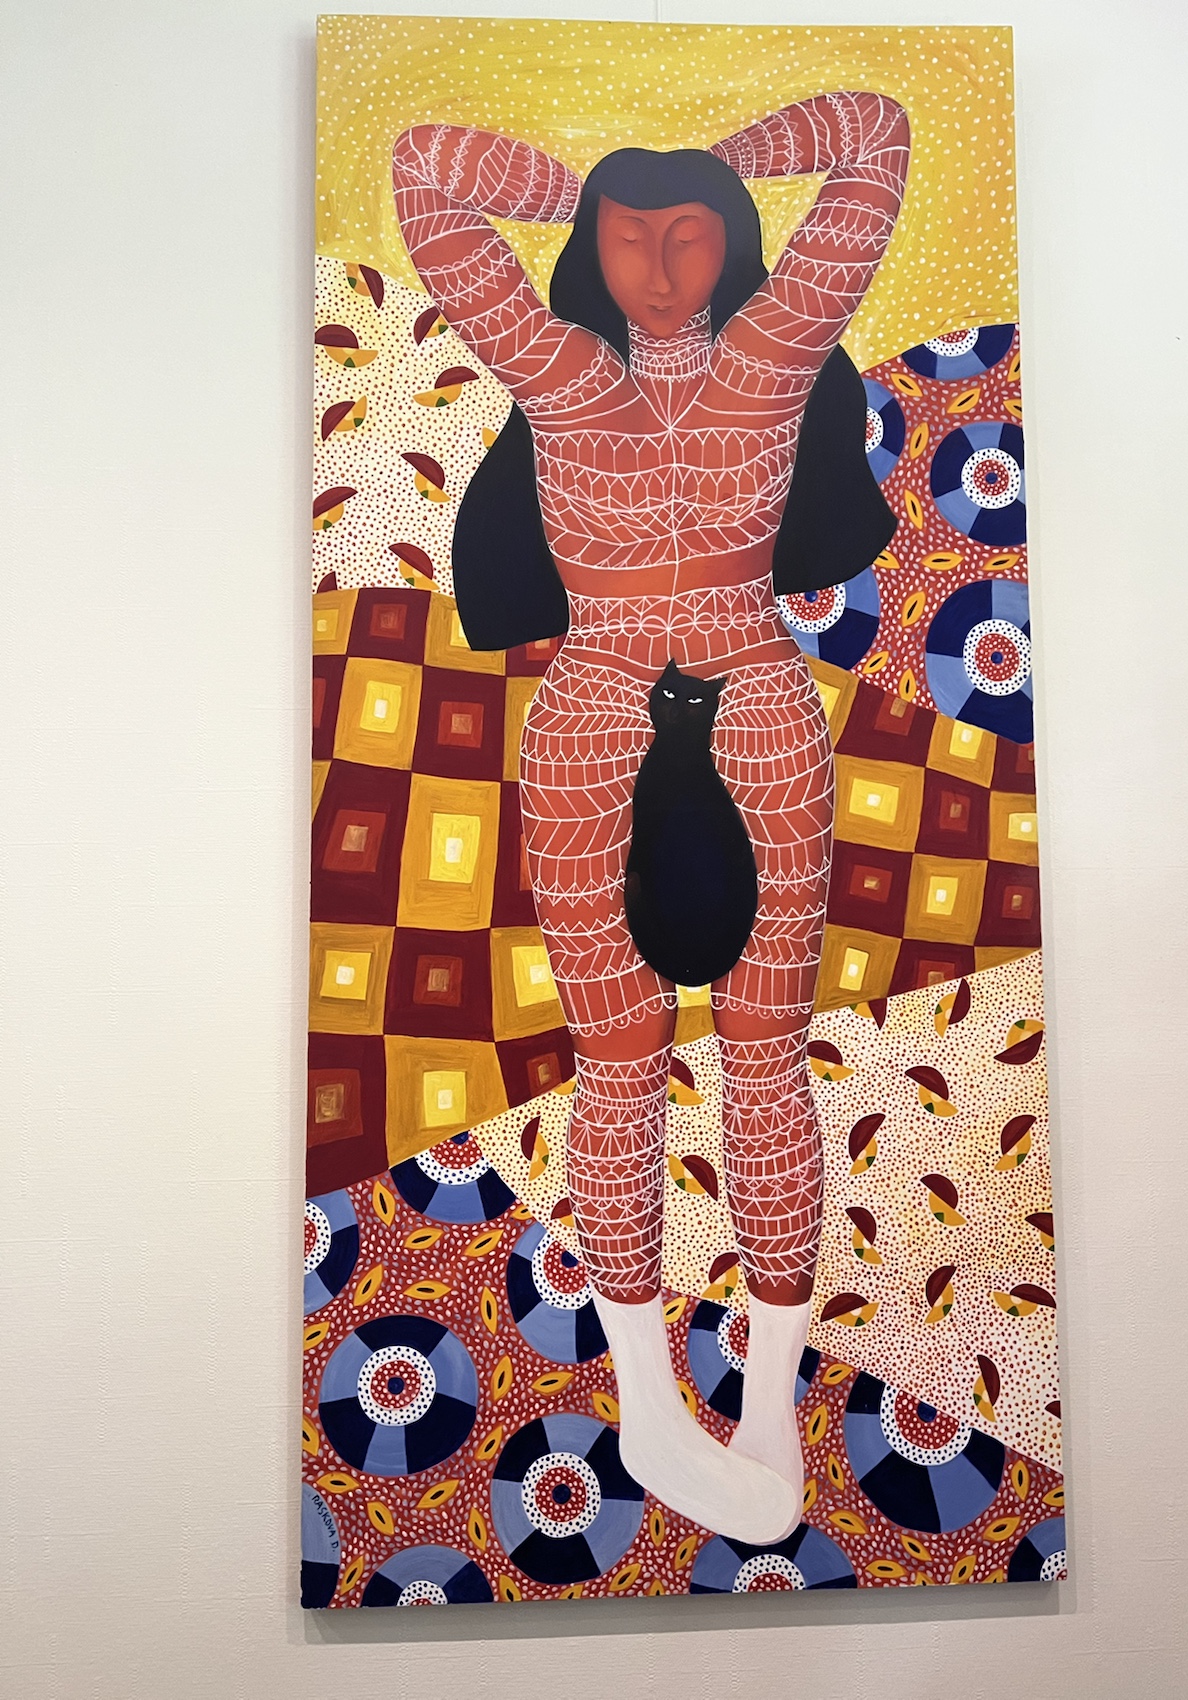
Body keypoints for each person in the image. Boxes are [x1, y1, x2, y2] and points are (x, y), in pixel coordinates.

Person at [392, 90, 910, 1545]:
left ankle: (768, 1407)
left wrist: (714, 166)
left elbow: (875, 139)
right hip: (593, 735)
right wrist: (591, 183)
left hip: (759, 723)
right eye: (632, 237)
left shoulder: (774, 353)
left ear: (734, 243)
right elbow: (425, 167)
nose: (666, 268)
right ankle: (645, 1396)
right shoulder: (554, 368)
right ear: (594, 247)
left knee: (765, 1063)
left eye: (693, 236)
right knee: (617, 1070)